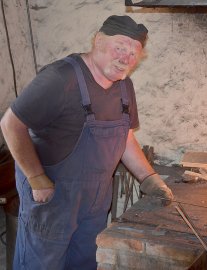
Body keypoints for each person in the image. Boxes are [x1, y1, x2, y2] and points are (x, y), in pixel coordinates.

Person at [0, 15, 174, 270]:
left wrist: (149, 177)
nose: (125, 58)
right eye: (120, 47)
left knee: (85, 263)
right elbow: (11, 124)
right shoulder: (60, 78)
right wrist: (36, 178)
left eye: (133, 53)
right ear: (99, 42)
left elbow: (124, 136)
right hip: (53, 199)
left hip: (94, 203)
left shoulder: (125, 87)